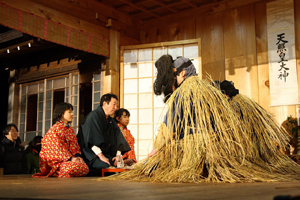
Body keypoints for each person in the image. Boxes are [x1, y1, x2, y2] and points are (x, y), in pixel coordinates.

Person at [99, 55, 300, 183]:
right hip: (219, 149)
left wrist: (154, 151)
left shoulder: (185, 92)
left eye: (176, 76)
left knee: (161, 167)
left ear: (183, 73)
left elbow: (171, 126)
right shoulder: (208, 89)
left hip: (197, 147)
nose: (175, 81)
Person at [77, 93, 131, 176]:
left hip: (105, 155)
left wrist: (118, 156)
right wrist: (101, 156)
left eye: (116, 105)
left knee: (116, 165)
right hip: (91, 155)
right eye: (114, 105)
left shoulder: (110, 120)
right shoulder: (93, 117)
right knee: (106, 167)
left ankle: (118, 162)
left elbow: (118, 138)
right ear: (105, 103)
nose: (115, 108)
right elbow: (91, 141)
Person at [33, 102, 89, 178]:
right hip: (57, 163)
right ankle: (57, 172)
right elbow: (56, 148)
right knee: (74, 167)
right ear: (61, 114)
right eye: (69, 112)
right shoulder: (55, 129)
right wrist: (71, 159)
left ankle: (64, 172)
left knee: (85, 167)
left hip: (69, 161)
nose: (72, 114)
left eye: (72, 112)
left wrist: (78, 157)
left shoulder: (70, 130)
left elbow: (74, 146)